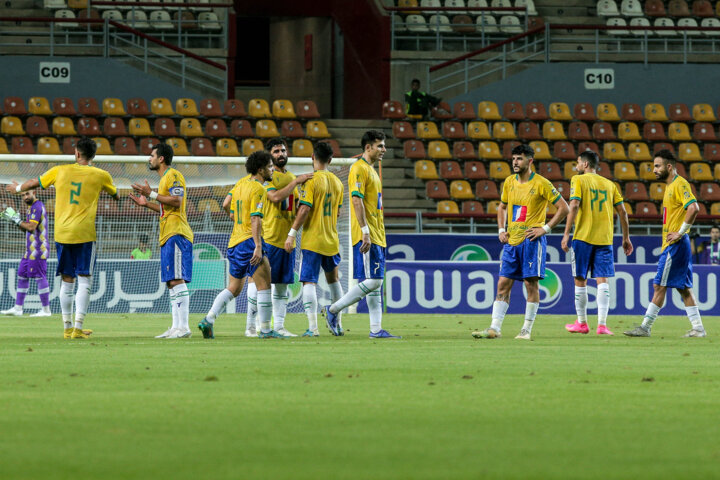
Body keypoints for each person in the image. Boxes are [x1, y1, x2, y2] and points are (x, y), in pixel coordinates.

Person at [5, 137, 118, 339]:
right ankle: (77, 327)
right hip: (84, 233)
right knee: (85, 280)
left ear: (76, 153)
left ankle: (66, 328)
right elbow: (116, 194)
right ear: (93, 155)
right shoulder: (102, 175)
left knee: (67, 280)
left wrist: (18, 189)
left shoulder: (60, 170)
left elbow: (34, 183)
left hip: (63, 233)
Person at [472, 144, 569, 340]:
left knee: (530, 285)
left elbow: (564, 208)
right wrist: (501, 230)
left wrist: (545, 228)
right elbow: (502, 207)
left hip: (531, 242)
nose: (515, 162)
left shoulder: (541, 183)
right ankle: (494, 328)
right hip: (512, 242)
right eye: (514, 158)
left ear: (530, 161)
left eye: (520, 159)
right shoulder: (509, 182)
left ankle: (526, 330)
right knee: (502, 284)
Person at [321, 130, 400, 339]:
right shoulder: (358, 169)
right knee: (373, 281)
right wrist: (365, 231)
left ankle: (375, 329)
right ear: (368, 147)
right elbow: (356, 200)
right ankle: (333, 310)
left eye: (384, 145)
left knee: (377, 283)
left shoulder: (372, 170)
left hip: (377, 234)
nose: (384, 149)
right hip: (368, 235)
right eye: (380, 146)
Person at [198, 151, 282, 339]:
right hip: (249, 241)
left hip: (234, 242)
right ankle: (267, 330)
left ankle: (209, 319)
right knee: (264, 286)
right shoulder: (259, 189)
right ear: (260, 170)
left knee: (234, 288)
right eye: (269, 167)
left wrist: (235, 217)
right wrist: (258, 246)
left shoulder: (240, 183)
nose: (272, 170)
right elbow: (255, 218)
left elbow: (226, 203)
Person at [624, 150, 706, 338]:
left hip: (675, 245)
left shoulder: (679, 184)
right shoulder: (670, 186)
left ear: (669, 167)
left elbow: (694, 208)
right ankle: (698, 328)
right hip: (678, 244)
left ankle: (645, 327)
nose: (654, 170)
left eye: (658, 166)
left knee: (659, 286)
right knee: (683, 288)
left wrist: (680, 231)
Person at [240, 139, 312, 338]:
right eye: (276, 151)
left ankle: (279, 326)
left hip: (287, 240)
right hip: (269, 238)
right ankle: (251, 327)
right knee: (258, 284)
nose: (281, 153)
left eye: (283, 150)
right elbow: (275, 198)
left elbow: (295, 204)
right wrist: (296, 182)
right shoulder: (268, 179)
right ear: (269, 155)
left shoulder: (290, 176)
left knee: (282, 286)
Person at [561, 151, 633, 336]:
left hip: (583, 237)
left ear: (585, 164)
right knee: (603, 280)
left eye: (578, 162)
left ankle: (582, 323)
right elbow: (623, 213)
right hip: (605, 239)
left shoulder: (578, 180)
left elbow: (574, 205)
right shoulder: (610, 184)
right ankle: (602, 325)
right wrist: (626, 238)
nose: (576, 166)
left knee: (580, 279)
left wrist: (566, 232)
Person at [129, 143, 194, 339]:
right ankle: (176, 327)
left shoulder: (173, 175)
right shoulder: (165, 179)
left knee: (176, 279)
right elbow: (166, 208)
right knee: (171, 283)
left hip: (177, 233)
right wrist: (147, 203)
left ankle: (184, 327)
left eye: (152, 155)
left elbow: (177, 201)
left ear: (161, 158)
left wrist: (152, 194)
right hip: (167, 234)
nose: (149, 159)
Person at [284, 142, 345, 337]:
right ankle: (338, 324)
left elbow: (305, 208)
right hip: (332, 239)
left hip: (313, 240)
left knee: (308, 282)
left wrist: (292, 233)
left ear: (312, 157)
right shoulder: (338, 182)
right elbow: (339, 213)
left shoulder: (310, 181)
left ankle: (313, 327)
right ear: (330, 160)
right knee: (333, 280)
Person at [0, 190, 52, 317]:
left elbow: (31, 227)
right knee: (22, 275)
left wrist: (17, 220)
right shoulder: (31, 208)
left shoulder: (37, 206)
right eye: (23, 195)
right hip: (30, 249)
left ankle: (46, 310)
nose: (25, 197)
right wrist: (15, 220)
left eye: (27, 194)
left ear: (34, 192)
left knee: (40, 276)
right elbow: (27, 230)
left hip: (38, 248)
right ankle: (18, 308)